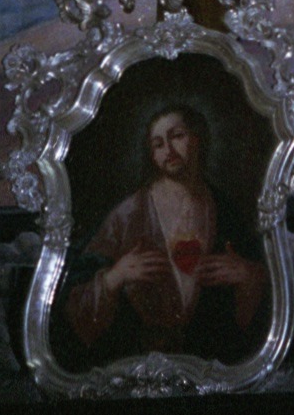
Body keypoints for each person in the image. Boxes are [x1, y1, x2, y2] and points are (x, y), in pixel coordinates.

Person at [65, 105, 267, 362]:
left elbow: (264, 299)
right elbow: (73, 303)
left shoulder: (226, 211)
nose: (168, 151)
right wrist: (115, 276)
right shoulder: (127, 215)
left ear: (198, 138)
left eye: (177, 136)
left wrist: (248, 275)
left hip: (212, 361)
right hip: (137, 361)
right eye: (158, 144)